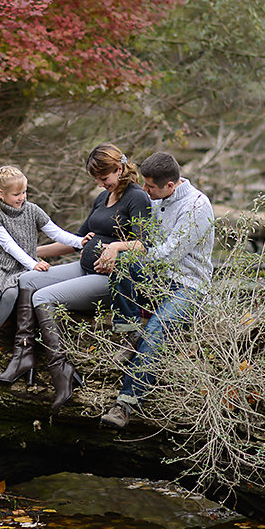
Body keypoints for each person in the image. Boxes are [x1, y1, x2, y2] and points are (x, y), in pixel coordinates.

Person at [0, 143, 151, 413]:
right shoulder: (102, 198)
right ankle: (23, 356)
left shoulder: (137, 198)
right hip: (84, 267)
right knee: (27, 280)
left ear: (120, 168)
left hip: (110, 279)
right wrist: (24, 253)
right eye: (97, 180)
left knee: (43, 297)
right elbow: (76, 242)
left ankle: (61, 369)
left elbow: (144, 244)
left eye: (104, 178)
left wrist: (114, 247)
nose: (101, 184)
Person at [95, 151, 214, 430]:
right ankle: (130, 336)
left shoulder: (196, 206)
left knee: (158, 328)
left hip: (188, 285)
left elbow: (168, 254)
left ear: (170, 185)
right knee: (122, 265)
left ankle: (125, 404)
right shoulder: (155, 197)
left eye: (149, 186)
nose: (143, 190)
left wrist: (125, 250)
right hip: (157, 278)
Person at [0, 165, 86, 365]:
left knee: (10, 295)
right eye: (16, 194)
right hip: (1, 265)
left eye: (24, 192)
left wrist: (79, 242)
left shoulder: (32, 210)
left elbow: (55, 232)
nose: (22, 197)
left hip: (22, 268)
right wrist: (33, 264)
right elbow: (10, 246)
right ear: (1, 194)